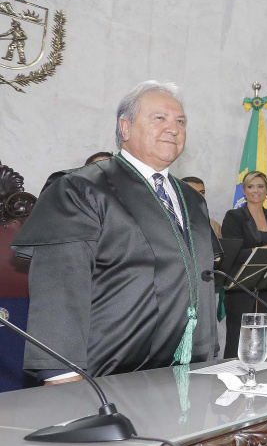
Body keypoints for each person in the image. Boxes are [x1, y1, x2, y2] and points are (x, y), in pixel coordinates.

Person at [11, 80, 219, 383]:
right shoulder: (79, 189)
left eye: (180, 121)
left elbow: (198, 282)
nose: (173, 129)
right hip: (107, 377)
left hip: (187, 374)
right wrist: (62, 377)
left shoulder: (192, 200)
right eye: (160, 118)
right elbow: (60, 290)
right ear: (125, 127)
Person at [220, 171, 267, 358]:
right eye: (251, 186)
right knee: (238, 337)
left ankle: (258, 370)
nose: (256, 191)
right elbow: (236, 254)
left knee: (262, 335)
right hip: (240, 284)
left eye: (260, 186)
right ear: (244, 191)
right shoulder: (234, 216)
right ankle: (232, 371)